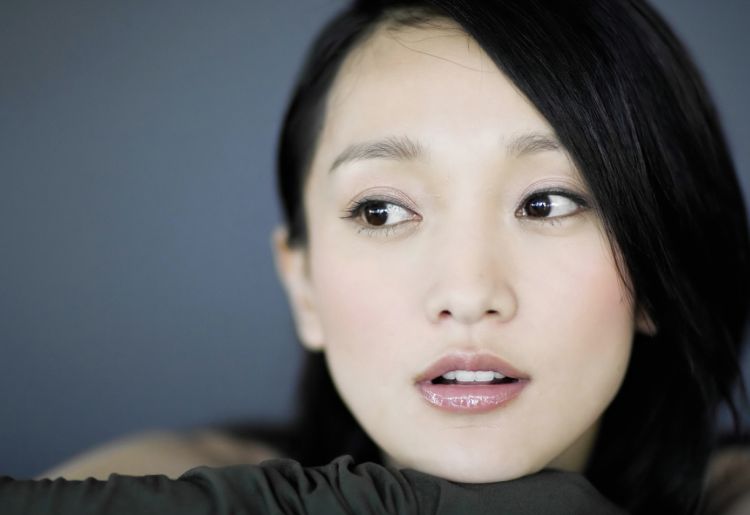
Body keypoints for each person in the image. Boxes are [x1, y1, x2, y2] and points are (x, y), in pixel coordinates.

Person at [13, 1, 750, 514]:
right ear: (303, 286)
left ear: (656, 268)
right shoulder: (176, 476)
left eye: (547, 203)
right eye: (381, 211)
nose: (468, 291)